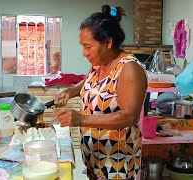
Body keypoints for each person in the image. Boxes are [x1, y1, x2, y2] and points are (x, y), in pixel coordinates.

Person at [54, 5, 147, 180]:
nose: (84, 53)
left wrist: (81, 119)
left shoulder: (129, 69)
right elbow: (89, 83)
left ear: (108, 42)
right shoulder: (99, 64)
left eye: (88, 47)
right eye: (82, 46)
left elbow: (129, 117)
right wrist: (71, 91)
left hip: (116, 165)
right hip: (94, 158)